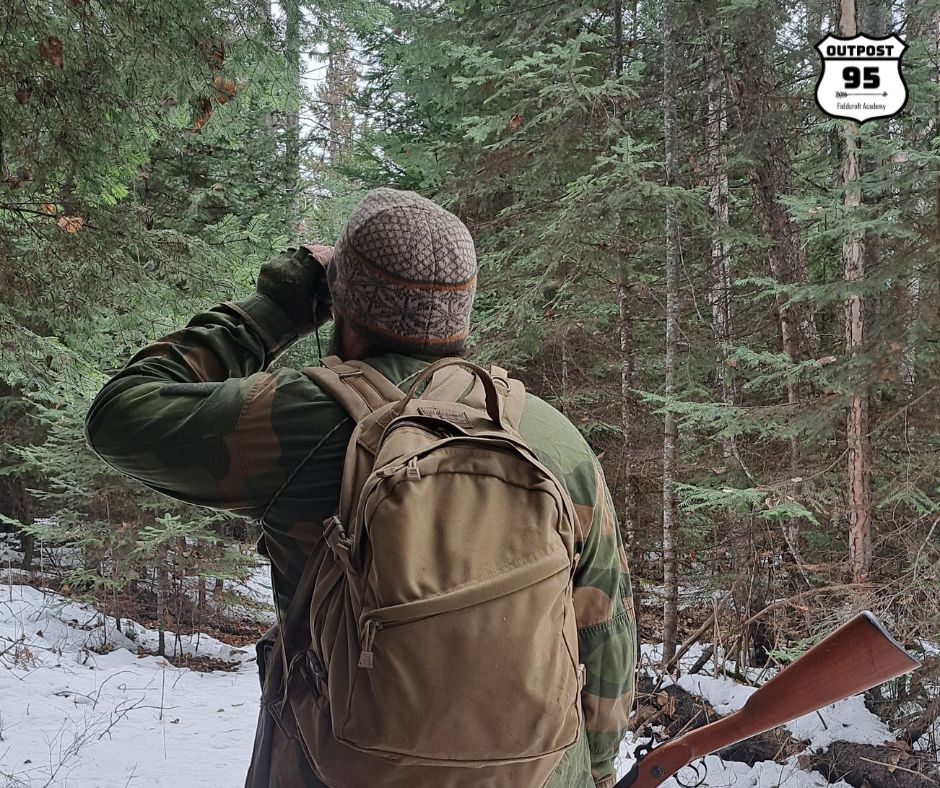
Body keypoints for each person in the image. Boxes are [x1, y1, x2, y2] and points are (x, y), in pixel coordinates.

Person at [85, 188, 636, 787]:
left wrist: (281, 304)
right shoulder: (552, 439)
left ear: (341, 305)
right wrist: (598, 772)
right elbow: (603, 626)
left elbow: (120, 414)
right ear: (462, 316)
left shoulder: (299, 420)